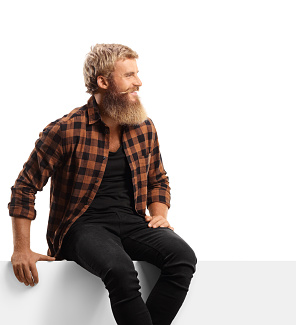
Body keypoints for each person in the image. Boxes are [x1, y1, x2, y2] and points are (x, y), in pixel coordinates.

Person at [8, 43, 197, 325]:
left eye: (137, 74)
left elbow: (158, 179)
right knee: (120, 270)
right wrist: (21, 249)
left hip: (132, 221)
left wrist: (159, 215)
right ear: (103, 81)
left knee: (182, 258)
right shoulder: (65, 129)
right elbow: (24, 187)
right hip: (81, 226)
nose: (138, 82)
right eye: (129, 75)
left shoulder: (143, 126)